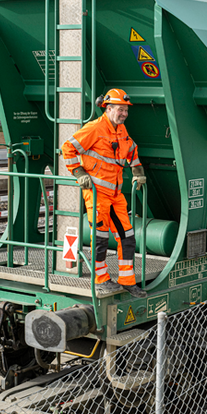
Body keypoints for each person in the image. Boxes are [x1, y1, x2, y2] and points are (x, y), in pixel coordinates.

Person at [61, 89, 147, 298]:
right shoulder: (95, 129)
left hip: (116, 194)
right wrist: (79, 173)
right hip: (97, 194)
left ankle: (127, 281)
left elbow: (131, 150)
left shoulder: (121, 129)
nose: (124, 113)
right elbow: (67, 148)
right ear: (108, 109)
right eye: (120, 109)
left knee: (127, 237)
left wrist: (138, 172)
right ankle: (101, 279)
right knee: (99, 238)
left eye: (125, 110)